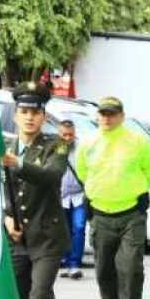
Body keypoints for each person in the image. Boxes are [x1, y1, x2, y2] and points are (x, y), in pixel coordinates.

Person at [76, 97, 150, 299]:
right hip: (101, 214)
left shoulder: (137, 141)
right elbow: (83, 172)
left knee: (131, 268)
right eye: (103, 114)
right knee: (104, 270)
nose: (106, 118)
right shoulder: (89, 143)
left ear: (122, 116)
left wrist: (137, 190)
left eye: (112, 114)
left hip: (130, 214)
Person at [2, 82, 70, 299]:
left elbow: (51, 176)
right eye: (24, 112)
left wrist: (19, 164)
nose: (29, 117)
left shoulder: (56, 145)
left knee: (39, 296)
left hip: (47, 238)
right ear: (15, 116)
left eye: (35, 112)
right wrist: (5, 217)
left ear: (43, 117)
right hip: (18, 240)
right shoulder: (5, 147)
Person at [57, 120, 85, 280]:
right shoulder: (54, 149)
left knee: (79, 228)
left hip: (79, 196)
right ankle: (67, 262)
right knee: (64, 231)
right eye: (64, 135)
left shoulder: (81, 149)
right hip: (60, 197)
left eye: (71, 135)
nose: (68, 138)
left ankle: (75, 264)